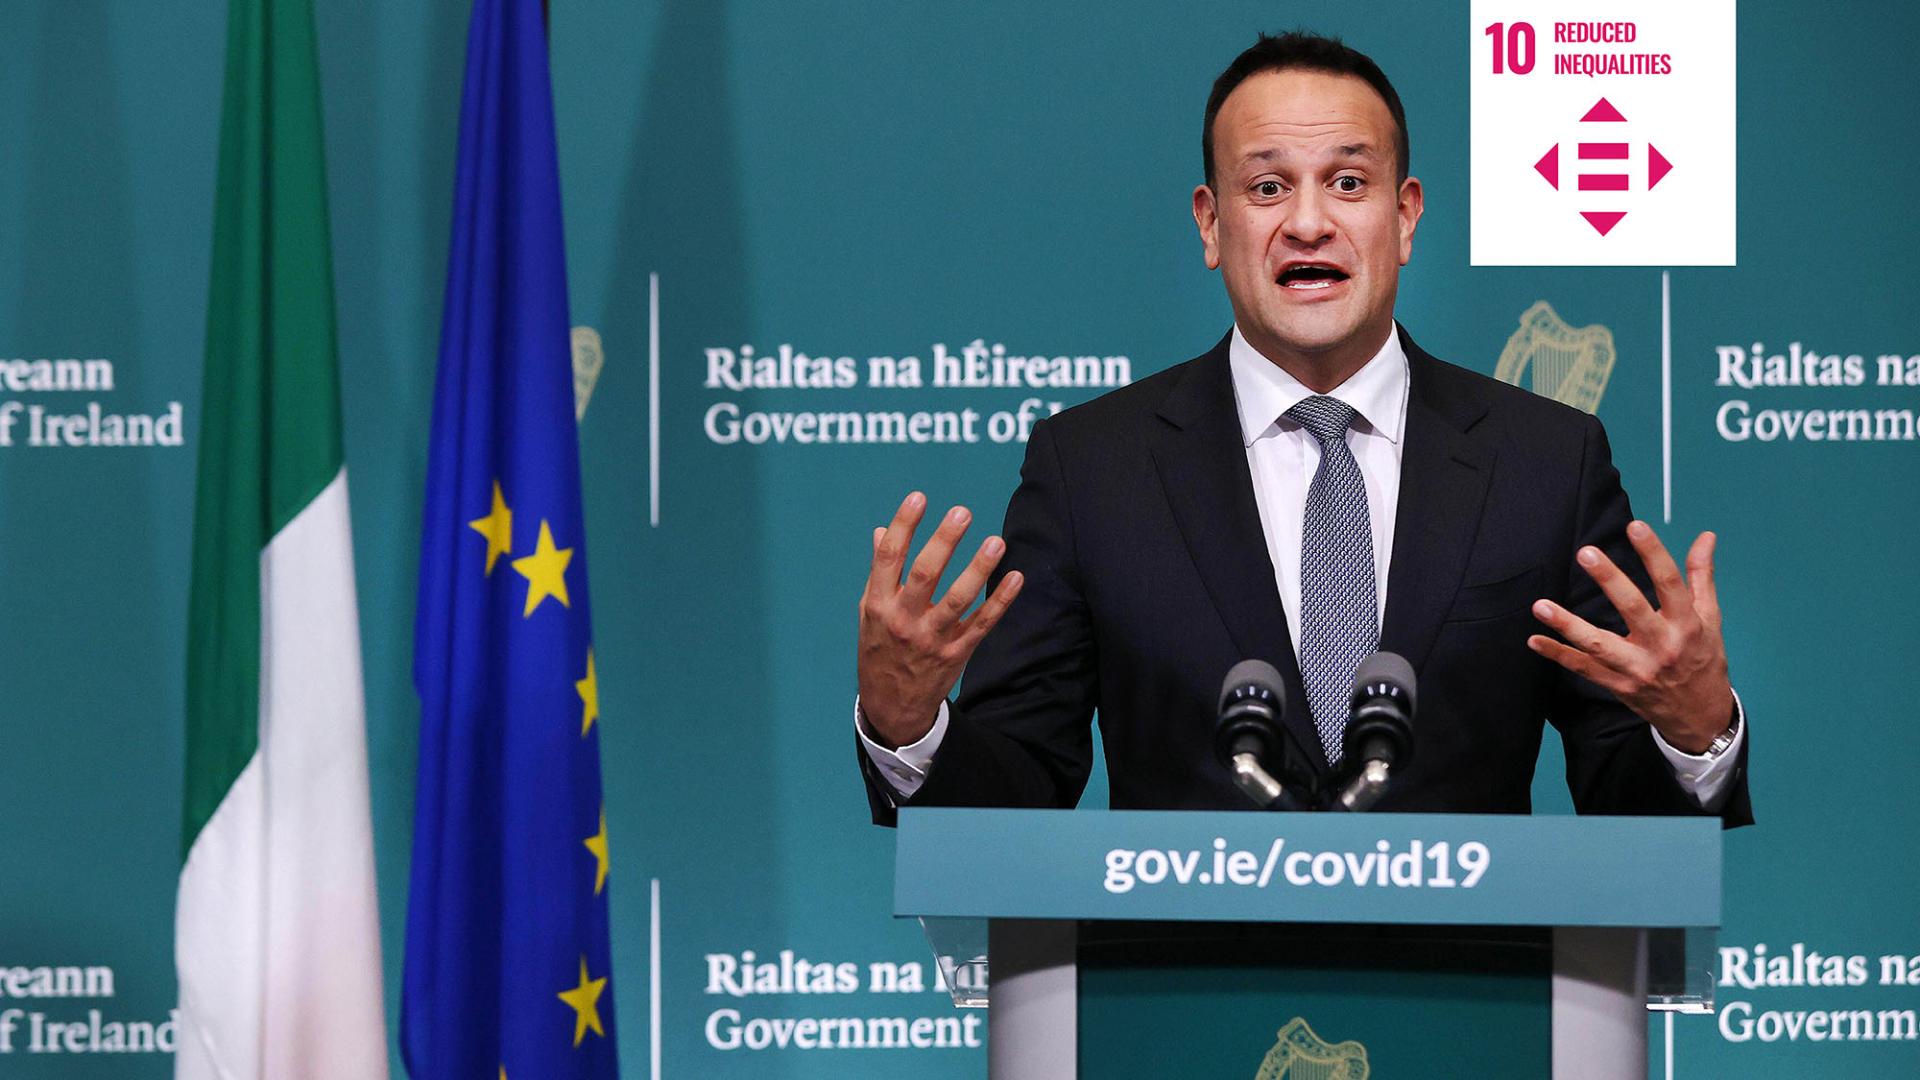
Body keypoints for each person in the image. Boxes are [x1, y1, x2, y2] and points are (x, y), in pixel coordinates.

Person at [852, 32, 1750, 827]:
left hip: (1472, 1002)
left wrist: (1697, 729)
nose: (1309, 222)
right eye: (1269, 186)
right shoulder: (1093, 469)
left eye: (1349, 183)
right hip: (1185, 1003)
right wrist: (909, 727)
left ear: (1404, 218)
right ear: (1212, 224)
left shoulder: (1545, 461)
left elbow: (1635, 813)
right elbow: (1014, 798)